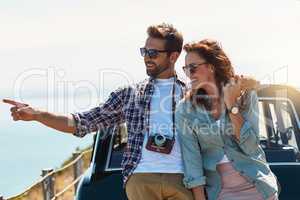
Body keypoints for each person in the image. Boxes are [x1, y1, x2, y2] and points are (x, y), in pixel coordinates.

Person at [3, 23, 194, 200]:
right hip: (142, 178)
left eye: (153, 52)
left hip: (184, 177)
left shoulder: (193, 93)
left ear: (173, 56)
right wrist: (37, 114)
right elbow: (82, 122)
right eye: (144, 51)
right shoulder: (129, 94)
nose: (146, 57)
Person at [176, 39, 279, 200]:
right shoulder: (185, 109)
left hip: (259, 188)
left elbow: (251, 147)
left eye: (193, 68)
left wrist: (231, 105)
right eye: (186, 69)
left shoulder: (245, 95)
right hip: (220, 193)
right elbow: (192, 163)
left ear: (211, 66)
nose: (189, 74)